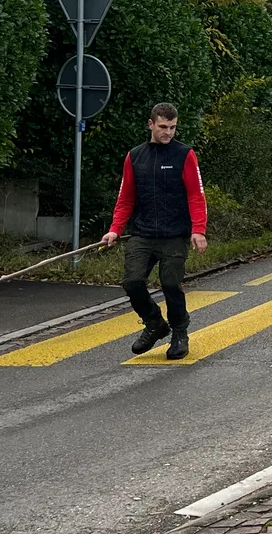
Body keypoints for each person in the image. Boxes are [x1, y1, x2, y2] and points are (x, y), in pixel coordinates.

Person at [100, 102, 208, 360]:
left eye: (172, 127)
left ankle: (180, 332)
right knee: (132, 282)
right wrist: (115, 230)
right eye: (163, 127)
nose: (168, 132)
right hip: (143, 233)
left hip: (175, 235)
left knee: (171, 283)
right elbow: (125, 198)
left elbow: (196, 195)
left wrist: (198, 230)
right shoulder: (135, 156)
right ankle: (155, 324)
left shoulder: (185, 155)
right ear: (151, 124)